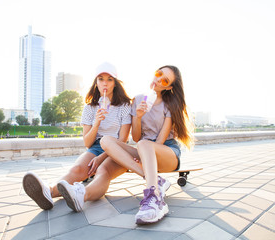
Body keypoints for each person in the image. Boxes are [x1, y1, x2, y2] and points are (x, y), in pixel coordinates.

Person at [22, 62, 132, 211]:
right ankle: (48, 192)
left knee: (102, 172)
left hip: (117, 149)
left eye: (109, 79)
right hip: (96, 147)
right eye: (101, 79)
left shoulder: (124, 106)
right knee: (78, 169)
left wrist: (100, 158)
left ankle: (80, 195)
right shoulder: (89, 108)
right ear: (96, 82)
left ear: (115, 83)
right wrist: (96, 123)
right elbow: (87, 142)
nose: (105, 83)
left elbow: (123, 140)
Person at [100, 65, 194, 224]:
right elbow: (136, 138)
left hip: (167, 152)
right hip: (144, 150)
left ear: (169, 87)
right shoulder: (137, 100)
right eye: (158, 74)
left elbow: (159, 142)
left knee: (144, 144)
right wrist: (138, 117)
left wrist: (144, 151)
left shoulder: (170, 105)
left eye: (164, 80)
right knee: (106, 140)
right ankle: (156, 181)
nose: (158, 79)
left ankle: (155, 199)